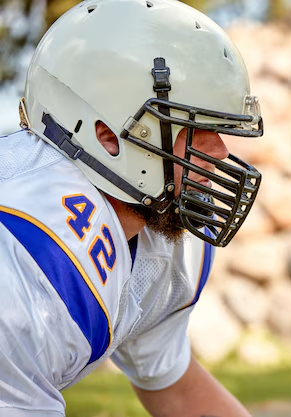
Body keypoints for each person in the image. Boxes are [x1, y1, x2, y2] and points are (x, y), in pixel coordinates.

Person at [0, 0, 264, 415]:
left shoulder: (157, 223)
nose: (221, 153)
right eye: (198, 130)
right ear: (108, 137)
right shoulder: (24, 257)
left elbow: (177, 390)